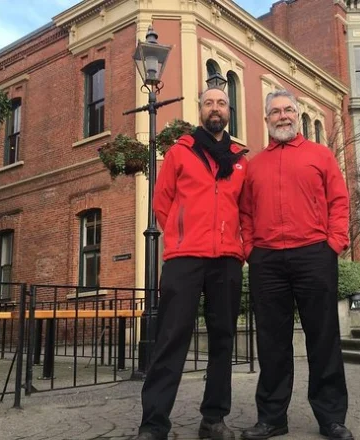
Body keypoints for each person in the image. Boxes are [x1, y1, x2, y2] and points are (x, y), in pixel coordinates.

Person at [239, 89, 353, 440]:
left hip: (314, 254)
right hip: (267, 260)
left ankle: (331, 418)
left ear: (297, 114)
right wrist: (250, 249)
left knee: (323, 338)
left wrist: (334, 244)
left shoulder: (321, 155)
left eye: (288, 110)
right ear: (267, 119)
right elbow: (245, 212)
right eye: (276, 112)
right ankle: (272, 418)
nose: (283, 116)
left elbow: (339, 201)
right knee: (271, 342)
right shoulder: (255, 165)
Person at [138, 87, 249, 440]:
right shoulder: (180, 152)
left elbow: (245, 210)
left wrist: (242, 248)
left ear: (229, 111)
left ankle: (213, 419)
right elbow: (163, 201)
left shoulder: (240, 160)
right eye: (209, 103)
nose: (215, 108)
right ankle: (154, 423)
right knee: (171, 338)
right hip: (184, 258)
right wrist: (181, 235)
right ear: (200, 110)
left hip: (227, 259)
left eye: (221, 103)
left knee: (223, 340)